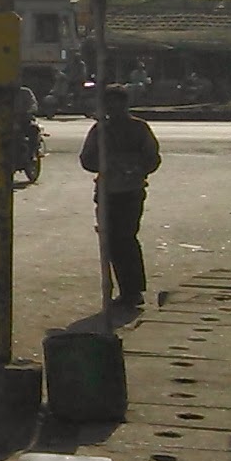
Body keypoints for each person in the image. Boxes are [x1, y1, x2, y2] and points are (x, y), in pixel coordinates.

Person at [79, 85, 161, 308]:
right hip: (108, 192)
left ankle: (132, 291)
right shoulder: (100, 130)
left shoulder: (139, 128)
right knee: (113, 241)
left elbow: (152, 159)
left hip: (130, 191)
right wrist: (109, 164)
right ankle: (127, 290)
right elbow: (87, 160)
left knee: (125, 239)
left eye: (117, 104)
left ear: (125, 105)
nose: (113, 109)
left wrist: (131, 167)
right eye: (109, 104)